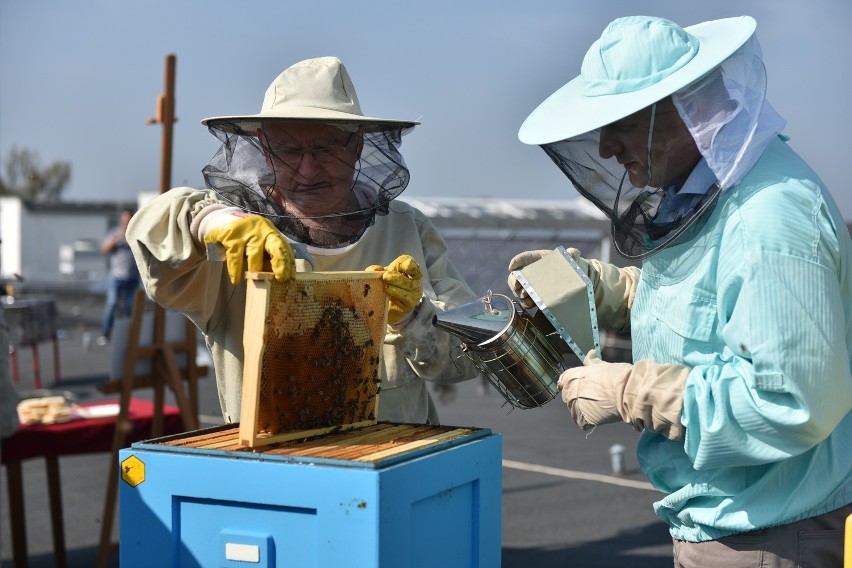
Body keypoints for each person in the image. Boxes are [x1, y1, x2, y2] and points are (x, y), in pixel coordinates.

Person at [508, 15, 851, 567]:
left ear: (690, 107)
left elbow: (791, 401)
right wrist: (612, 289)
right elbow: (717, 301)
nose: (606, 146)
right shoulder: (709, 191)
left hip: (770, 530)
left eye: (621, 122)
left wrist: (631, 391)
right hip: (730, 516)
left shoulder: (769, 218)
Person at [126, 56, 478, 425]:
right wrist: (213, 220)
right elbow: (151, 231)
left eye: (326, 149)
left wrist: (411, 318)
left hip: (394, 461)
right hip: (275, 470)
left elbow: (466, 357)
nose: (308, 170)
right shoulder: (234, 231)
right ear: (265, 150)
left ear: (357, 148)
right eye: (290, 151)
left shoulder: (409, 227)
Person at [99, 207, 140, 346]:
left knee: (130, 307)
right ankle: (105, 332)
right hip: (116, 277)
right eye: (124, 221)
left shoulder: (137, 234)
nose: (126, 223)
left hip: (132, 277)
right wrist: (117, 238)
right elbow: (104, 249)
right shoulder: (114, 233)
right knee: (112, 304)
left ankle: (127, 335)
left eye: (128, 221)